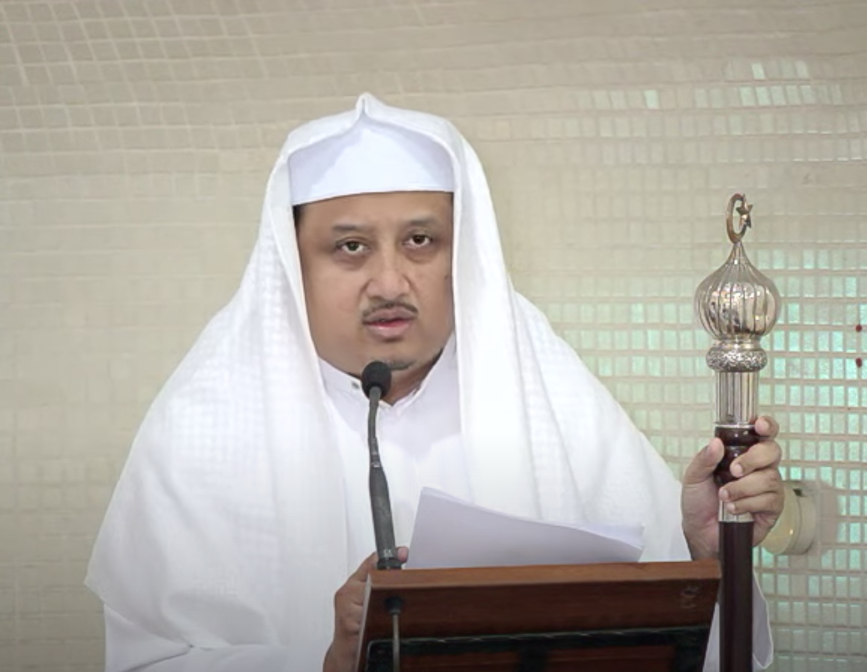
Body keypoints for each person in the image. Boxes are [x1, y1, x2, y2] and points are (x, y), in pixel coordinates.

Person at [85, 93, 785, 672]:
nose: (390, 282)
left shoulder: (548, 397)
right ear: (291, 266)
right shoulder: (203, 427)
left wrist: (704, 552)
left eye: (421, 241)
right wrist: (329, 661)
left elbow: (672, 642)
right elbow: (149, 660)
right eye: (349, 247)